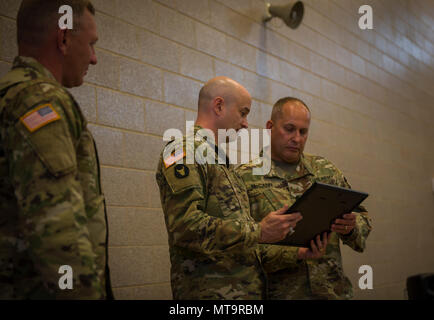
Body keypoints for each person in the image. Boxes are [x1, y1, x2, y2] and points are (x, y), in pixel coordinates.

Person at [0, 0, 112, 299]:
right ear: (63, 38)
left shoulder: (10, 95)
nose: (93, 58)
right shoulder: (39, 100)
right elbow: (58, 232)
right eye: (90, 45)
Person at [155, 77, 302, 300]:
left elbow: (241, 244)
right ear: (219, 106)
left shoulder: (220, 161)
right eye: (243, 113)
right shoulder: (183, 151)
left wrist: (295, 253)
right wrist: (258, 230)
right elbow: (185, 227)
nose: (245, 123)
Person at [237, 97, 373, 299]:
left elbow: (363, 218)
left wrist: (352, 227)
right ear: (270, 127)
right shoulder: (245, 177)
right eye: (289, 129)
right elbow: (240, 249)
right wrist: (295, 254)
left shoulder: (325, 170)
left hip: (332, 293)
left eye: (303, 131)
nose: (297, 138)